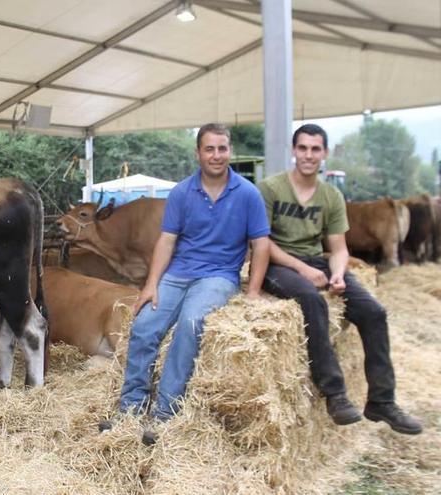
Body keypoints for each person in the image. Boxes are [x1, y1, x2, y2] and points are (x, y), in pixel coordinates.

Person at [100, 123, 271, 445]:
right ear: (198, 153)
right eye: (210, 149)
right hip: (177, 274)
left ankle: (165, 414)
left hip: (218, 276)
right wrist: (151, 284)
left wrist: (252, 291)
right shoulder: (181, 192)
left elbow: (261, 244)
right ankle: (130, 409)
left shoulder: (248, 193)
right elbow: (167, 241)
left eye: (222, 148)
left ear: (229, 151)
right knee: (145, 325)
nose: (216, 155)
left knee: (191, 324)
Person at [257, 124, 422, 435]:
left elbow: (338, 248)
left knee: (374, 313)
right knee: (311, 299)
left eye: (315, 149)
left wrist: (336, 273)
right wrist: (303, 270)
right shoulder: (271, 189)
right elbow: (262, 244)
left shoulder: (331, 195)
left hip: (317, 260)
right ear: (294, 151)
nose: (308, 155)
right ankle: (335, 394)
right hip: (278, 264)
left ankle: (382, 401)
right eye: (302, 148)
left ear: (325, 154)